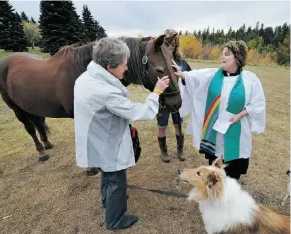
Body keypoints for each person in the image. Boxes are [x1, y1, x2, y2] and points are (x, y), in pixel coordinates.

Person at [73, 38, 170, 230]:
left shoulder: (85, 78)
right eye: (124, 65)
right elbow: (139, 112)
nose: (126, 68)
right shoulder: (105, 91)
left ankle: (107, 201)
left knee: (107, 173)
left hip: (95, 135)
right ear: (109, 67)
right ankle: (116, 220)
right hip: (107, 141)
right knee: (116, 179)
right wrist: (157, 92)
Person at [173, 40, 266, 180]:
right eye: (222, 54)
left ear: (238, 57)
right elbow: (194, 77)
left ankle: (231, 188)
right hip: (216, 132)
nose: (222, 57)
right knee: (215, 168)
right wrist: (181, 74)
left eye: (227, 54)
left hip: (237, 131)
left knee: (233, 170)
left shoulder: (250, 79)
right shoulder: (212, 75)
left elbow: (257, 104)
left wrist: (239, 115)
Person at [157, 29, 192, 163]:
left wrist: (181, 73)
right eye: (168, 43)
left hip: (178, 100)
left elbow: (190, 77)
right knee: (162, 126)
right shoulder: (158, 60)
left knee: (178, 125)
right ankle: (164, 151)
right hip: (163, 100)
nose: (171, 45)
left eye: (174, 43)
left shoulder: (181, 61)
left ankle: (180, 149)